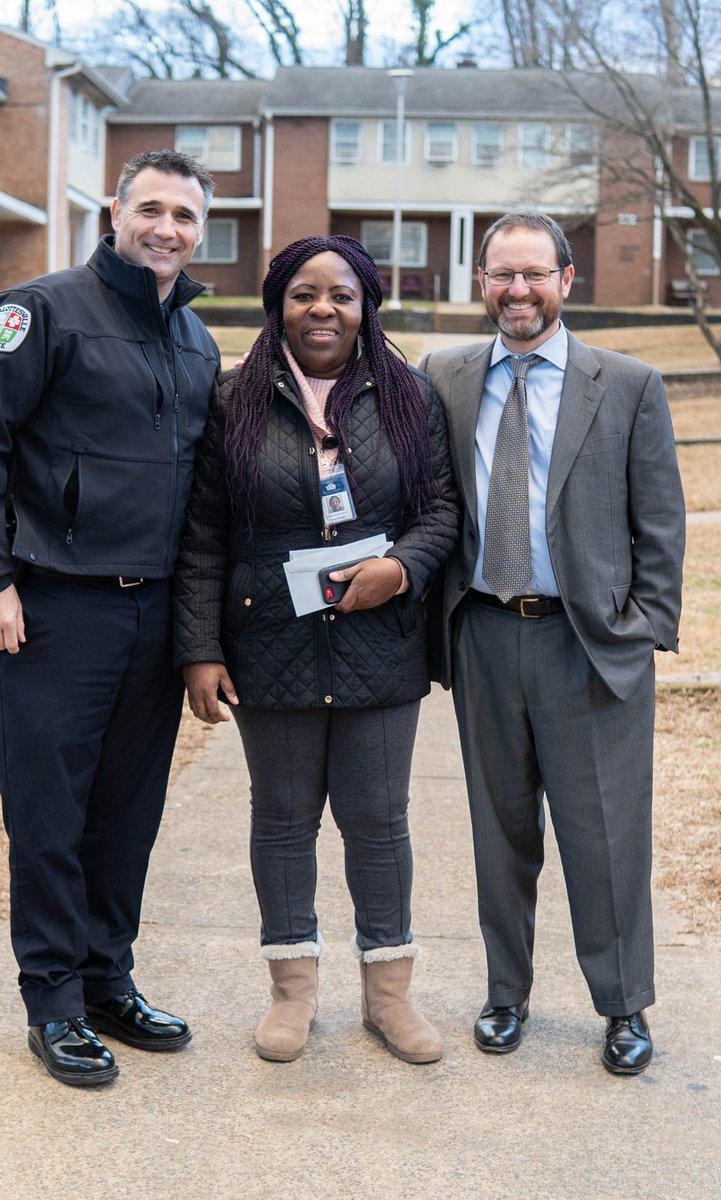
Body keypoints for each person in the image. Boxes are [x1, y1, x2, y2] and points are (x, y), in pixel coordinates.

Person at [0, 149, 221, 1088]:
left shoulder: (195, 340)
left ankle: (108, 981)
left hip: (149, 625)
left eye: (184, 214)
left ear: (200, 227)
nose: (166, 228)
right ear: (115, 211)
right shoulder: (41, 310)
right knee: (50, 818)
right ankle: (54, 1001)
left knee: (127, 817)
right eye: (151, 208)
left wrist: (196, 632)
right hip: (52, 611)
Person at [173, 235, 459, 1064]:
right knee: (284, 819)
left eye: (341, 294)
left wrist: (401, 569)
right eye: (304, 294)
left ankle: (389, 995)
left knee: (378, 822)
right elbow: (203, 535)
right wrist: (199, 646)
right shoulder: (234, 400)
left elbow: (441, 509)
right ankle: (293, 993)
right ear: (278, 305)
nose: (322, 309)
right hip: (271, 641)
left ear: (366, 305)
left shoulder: (409, 395)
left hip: (380, 641)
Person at [420, 212, 686, 1076]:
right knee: (499, 834)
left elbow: (661, 522)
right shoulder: (446, 377)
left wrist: (642, 629)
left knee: (605, 837)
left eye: (534, 274)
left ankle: (623, 1006)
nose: (518, 290)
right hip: (486, 637)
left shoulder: (629, 383)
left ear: (567, 280)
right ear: (482, 281)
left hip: (591, 647)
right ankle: (507, 995)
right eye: (502, 274)